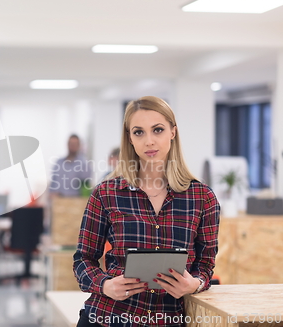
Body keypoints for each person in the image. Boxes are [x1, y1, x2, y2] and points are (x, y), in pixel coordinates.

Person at [73, 96, 220, 327]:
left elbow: (205, 265)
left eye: (158, 130)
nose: (149, 141)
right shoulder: (106, 193)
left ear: (173, 132)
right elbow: (83, 260)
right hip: (109, 317)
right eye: (139, 132)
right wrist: (105, 285)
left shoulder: (202, 197)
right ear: (129, 138)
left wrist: (195, 284)